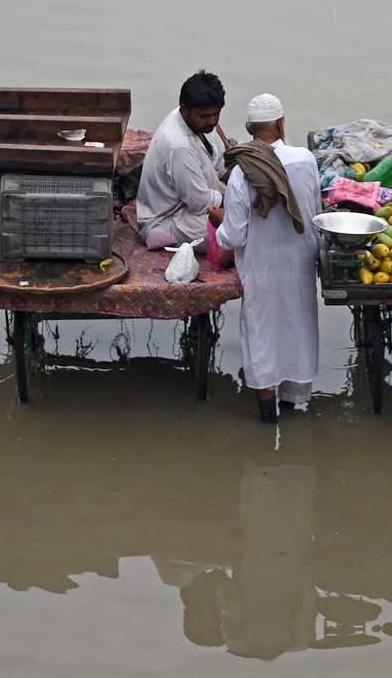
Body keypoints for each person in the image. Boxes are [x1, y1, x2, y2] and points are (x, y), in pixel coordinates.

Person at [208, 94, 321, 424]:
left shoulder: (243, 171)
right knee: (297, 327)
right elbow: (315, 212)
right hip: (300, 264)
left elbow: (234, 236)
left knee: (262, 333)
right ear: (282, 124)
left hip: (261, 267)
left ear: (249, 129)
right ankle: (292, 403)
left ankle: (267, 417)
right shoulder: (306, 160)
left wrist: (220, 221)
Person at [136, 70, 230, 253]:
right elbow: (200, 203)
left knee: (246, 218)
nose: (212, 121)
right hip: (169, 221)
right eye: (205, 116)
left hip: (191, 205)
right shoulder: (179, 146)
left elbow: (221, 167)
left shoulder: (201, 123)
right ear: (184, 110)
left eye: (216, 113)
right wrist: (240, 203)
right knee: (243, 230)